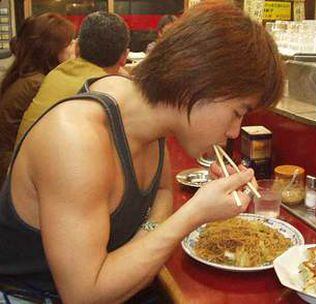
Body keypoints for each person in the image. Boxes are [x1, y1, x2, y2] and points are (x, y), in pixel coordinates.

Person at [0, 1, 285, 303]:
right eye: (237, 112)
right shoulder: (75, 138)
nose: (234, 132)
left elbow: (163, 192)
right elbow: (85, 295)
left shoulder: (149, 117)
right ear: (198, 83)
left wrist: (148, 232)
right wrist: (192, 215)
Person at [16, 11, 130, 142]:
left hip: (21, 159)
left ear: (77, 48)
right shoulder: (109, 92)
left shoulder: (55, 74)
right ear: (124, 57)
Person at [0, 13, 75, 185]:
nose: (74, 48)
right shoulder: (39, 84)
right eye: (69, 43)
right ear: (53, 50)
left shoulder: (24, 76)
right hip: (16, 173)